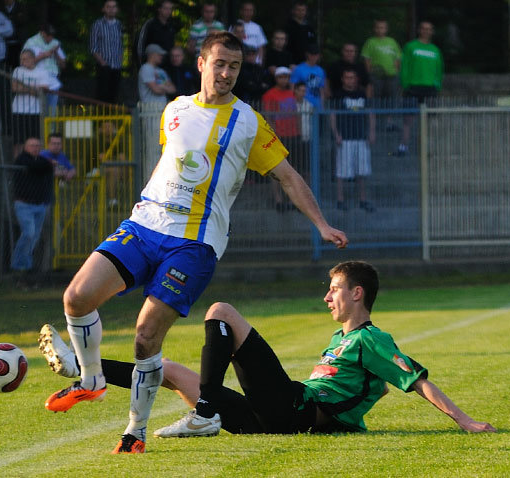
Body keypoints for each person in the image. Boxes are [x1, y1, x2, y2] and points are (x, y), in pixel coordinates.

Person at [38, 31, 348, 455]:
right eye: (219, 63)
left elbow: (288, 177)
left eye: (234, 67)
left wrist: (322, 224)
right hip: (145, 225)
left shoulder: (248, 123)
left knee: (146, 337)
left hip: (194, 243)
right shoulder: (175, 109)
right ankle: (92, 379)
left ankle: (135, 431)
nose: (226, 73)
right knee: (76, 298)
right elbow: (175, 163)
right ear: (201, 64)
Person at [40, 261, 496, 437]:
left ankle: (203, 409)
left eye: (334, 289)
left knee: (221, 310)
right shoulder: (342, 339)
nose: (327, 296)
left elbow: (416, 381)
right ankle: (83, 369)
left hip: (299, 410)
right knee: (172, 370)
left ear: (358, 294)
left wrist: (466, 421)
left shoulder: (370, 339)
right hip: (273, 420)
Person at [11, 137, 61, 272]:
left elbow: (50, 167)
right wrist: (50, 165)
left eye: (38, 145)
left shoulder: (41, 160)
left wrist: (50, 165)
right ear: (25, 147)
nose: (35, 148)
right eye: (32, 145)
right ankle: (18, 264)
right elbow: (36, 167)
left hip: (40, 205)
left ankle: (25, 264)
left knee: (35, 236)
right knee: (28, 233)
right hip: (24, 204)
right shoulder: (22, 159)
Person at [329, 69, 375, 212]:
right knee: (342, 171)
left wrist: (372, 132)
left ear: (356, 79)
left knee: (362, 170)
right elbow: (332, 115)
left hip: (361, 137)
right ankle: (340, 200)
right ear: (343, 79)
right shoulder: (337, 95)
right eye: (347, 77)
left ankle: (363, 199)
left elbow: (370, 113)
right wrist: (336, 133)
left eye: (352, 78)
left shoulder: (362, 94)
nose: (350, 80)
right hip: (345, 138)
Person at [397, 21, 443, 156]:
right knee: (408, 119)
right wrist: (405, 84)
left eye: (429, 29)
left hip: (430, 88)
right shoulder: (411, 47)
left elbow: (439, 69)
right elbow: (404, 66)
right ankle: (403, 146)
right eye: (424, 28)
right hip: (413, 87)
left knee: (430, 120)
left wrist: (437, 84)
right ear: (419, 30)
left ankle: (428, 148)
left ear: (432, 31)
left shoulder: (435, 50)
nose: (426, 31)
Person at [261, 67, 299, 211]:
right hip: (278, 136)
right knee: (276, 170)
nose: (284, 80)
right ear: (276, 78)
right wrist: (273, 135)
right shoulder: (269, 95)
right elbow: (268, 115)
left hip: (293, 134)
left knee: (293, 168)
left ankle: (292, 200)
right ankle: (278, 199)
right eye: (281, 77)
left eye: (286, 77)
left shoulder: (292, 93)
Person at [11, 49, 61, 145]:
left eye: (25, 59)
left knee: (35, 140)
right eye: (21, 59)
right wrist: (34, 89)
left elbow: (43, 91)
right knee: (18, 141)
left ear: (33, 59)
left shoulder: (43, 72)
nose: (22, 62)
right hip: (18, 110)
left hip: (36, 111)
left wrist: (24, 87)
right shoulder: (17, 70)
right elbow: (15, 88)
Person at [89, 0, 124, 104]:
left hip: (117, 66)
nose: (111, 9)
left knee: (114, 94)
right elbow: (93, 47)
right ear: (103, 9)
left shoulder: (119, 25)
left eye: (113, 7)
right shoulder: (98, 24)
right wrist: (103, 63)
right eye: (108, 7)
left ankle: (112, 119)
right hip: (104, 66)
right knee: (102, 95)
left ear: (117, 9)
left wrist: (120, 60)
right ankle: (101, 119)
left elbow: (121, 45)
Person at [361, 19, 402, 100]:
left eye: (382, 28)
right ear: (374, 29)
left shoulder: (392, 41)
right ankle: (376, 113)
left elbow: (398, 58)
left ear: (386, 29)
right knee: (376, 98)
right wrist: (370, 73)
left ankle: (392, 113)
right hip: (376, 76)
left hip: (392, 76)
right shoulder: (370, 42)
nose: (380, 30)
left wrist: (396, 71)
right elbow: (366, 59)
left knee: (393, 98)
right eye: (378, 27)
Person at [22, 24, 66, 89]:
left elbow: (63, 65)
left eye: (52, 35)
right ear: (42, 33)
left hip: (53, 78)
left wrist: (56, 53)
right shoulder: (31, 42)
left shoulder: (55, 43)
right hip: (36, 78)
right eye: (48, 35)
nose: (51, 38)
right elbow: (24, 63)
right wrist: (43, 56)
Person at [136, 0, 176, 68]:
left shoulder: (171, 26)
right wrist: (142, 64)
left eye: (170, 9)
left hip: (167, 66)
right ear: (159, 9)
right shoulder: (150, 24)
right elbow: (140, 45)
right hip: (151, 64)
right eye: (166, 8)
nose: (168, 11)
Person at [290, 43, 325, 110]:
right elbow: (292, 87)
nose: (314, 57)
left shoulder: (320, 70)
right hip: (302, 105)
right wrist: (293, 103)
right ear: (307, 54)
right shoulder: (299, 69)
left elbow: (321, 90)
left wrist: (322, 105)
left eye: (316, 55)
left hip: (317, 105)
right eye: (312, 54)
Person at [284, 1, 317, 66]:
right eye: (298, 10)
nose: (300, 12)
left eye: (303, 10)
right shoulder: (288, 26)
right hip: (292, 61)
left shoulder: (310, 27)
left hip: (307, 61)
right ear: (293, 11)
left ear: (306, 12)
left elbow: (313, 43)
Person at [0, 0, 29, 68]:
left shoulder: (21, 7)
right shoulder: (0, 8)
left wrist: (8, 20)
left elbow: (23, 20)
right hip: (4, 42)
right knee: (6, 65)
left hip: (19, 41)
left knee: (18, 63)